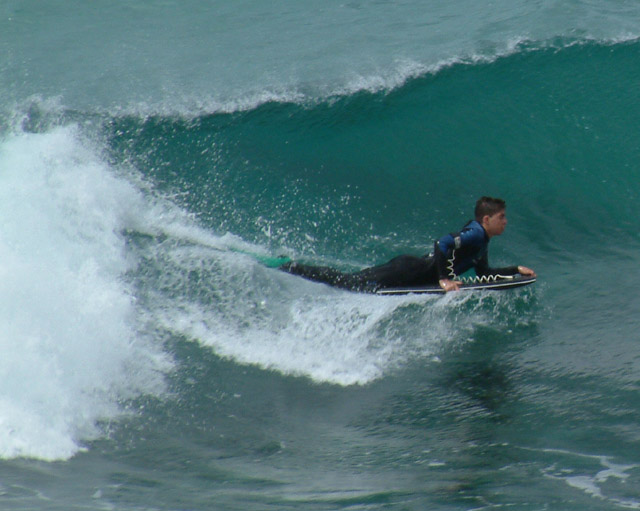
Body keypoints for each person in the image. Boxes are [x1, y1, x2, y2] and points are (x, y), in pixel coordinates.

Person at [279, 196, 536, 292]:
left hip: (414, 273)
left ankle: (292, 268)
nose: (506, 221)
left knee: (350, 282)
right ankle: (290, 268)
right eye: (502, 217)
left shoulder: (482, 242)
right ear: (487, 219)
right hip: (408, 270)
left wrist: (515, 270)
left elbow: (483, 275)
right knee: (347, 282)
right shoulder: (476, 233)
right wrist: (444, 279)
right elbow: (443, 243)